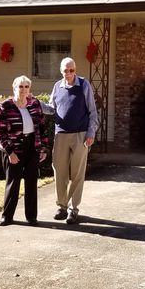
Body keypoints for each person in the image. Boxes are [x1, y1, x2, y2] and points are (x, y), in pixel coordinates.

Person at [46, 57, 99, 224]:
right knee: (59, 171)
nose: (69, 73)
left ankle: (73, 209)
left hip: (80, 135)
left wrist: (91, 133)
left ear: (75, 70)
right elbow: (51, 108)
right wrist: (34, 103)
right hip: (60, 134)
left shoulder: (84, 85)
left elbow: (93, 112)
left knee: (77, 173)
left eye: (72, 70)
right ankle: (61, 206)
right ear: (61, 71)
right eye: (65, 71)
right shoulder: (57, 86)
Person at [0, 75, 49, 226]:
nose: (23, 89)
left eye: (26, 86)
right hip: (13, 149)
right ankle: (7, 216)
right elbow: (1, 132)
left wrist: (43, 148)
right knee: (13, 183)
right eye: (20, 86)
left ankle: (31, 217)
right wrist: (10, 152)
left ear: (29, 89)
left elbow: (42, 128)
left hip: (32, 146)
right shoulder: (5, 106)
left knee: (31, 182)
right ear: (14, 88)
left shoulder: (35, 104)